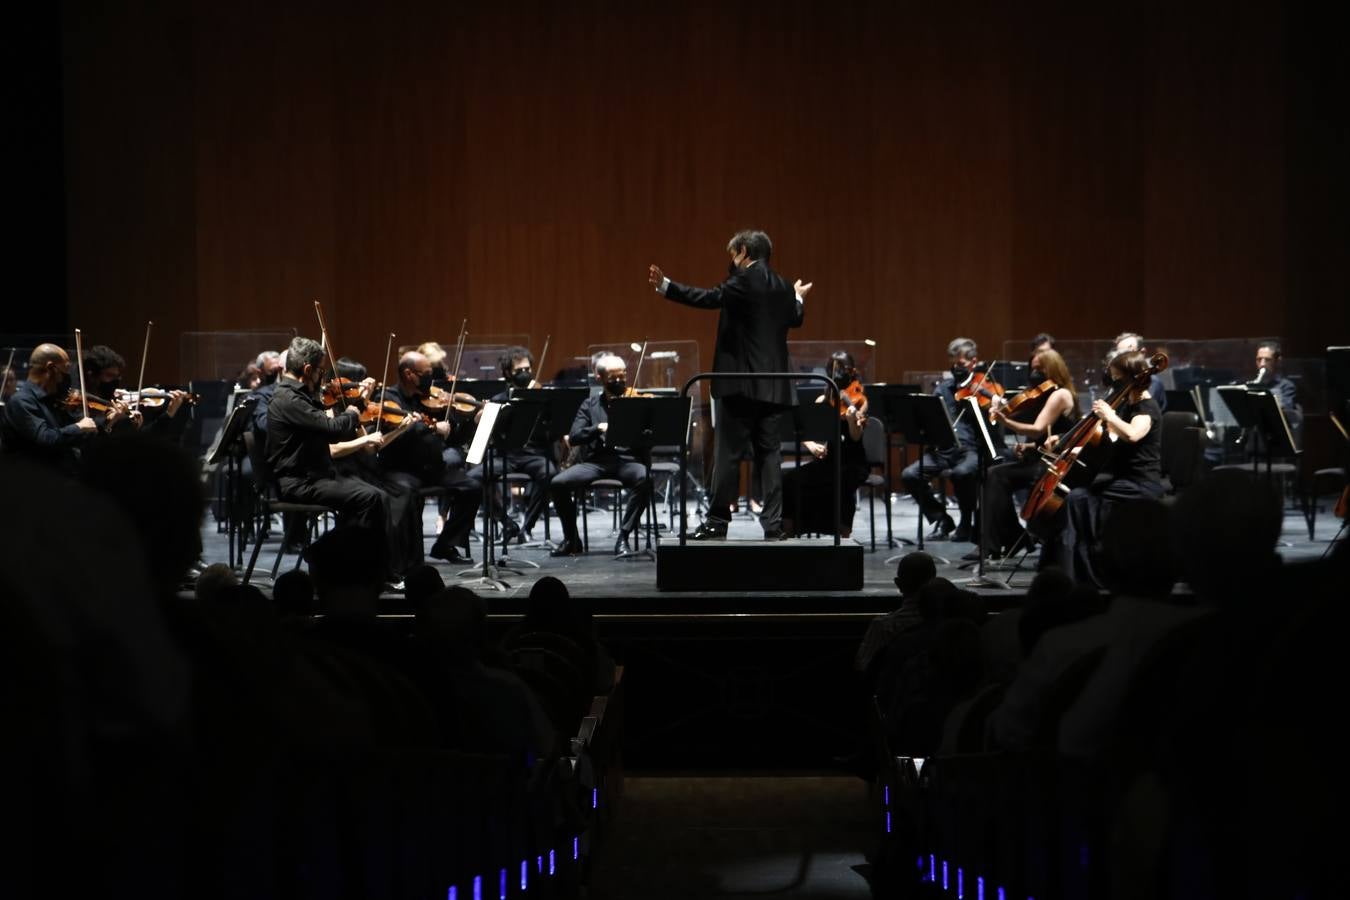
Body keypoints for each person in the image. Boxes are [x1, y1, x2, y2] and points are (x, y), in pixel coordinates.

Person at [649, 229, 811, 539]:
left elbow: (708, 297)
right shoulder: (783, 286)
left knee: (728, 455)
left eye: (733, 255)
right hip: (775, 388)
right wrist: (798, 296)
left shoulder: (742, 281)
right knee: (770, 457)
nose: (731, 262)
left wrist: (667, 287)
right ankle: (773, 525)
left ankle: (717, 522)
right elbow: (796, 317)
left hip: (739, 386)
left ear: (745, 252)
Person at [265, 336, 403, 576]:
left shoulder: (300, 396)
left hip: (318, 475)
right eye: (320, 371)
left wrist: (355, 401)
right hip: (299, 482)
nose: (322, 377)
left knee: (377, 496)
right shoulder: (288, 400)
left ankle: (347, 563)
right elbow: (333, 430)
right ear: (308, 370)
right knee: (370, 498)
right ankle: (353, 565)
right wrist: (354, 406)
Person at [1050, 349, 1165, 587]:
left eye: (1116, 378)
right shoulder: (1125, 405)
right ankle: (1076, 570)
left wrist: (1110, 415)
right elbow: (1107, 439)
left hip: (1140, 483)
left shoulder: (1146, 408)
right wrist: (1072, 446)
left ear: (1133, 377)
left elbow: (1132, 434)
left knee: (1079, 499)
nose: (1113, 383)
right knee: (1077, 496)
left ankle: (1090, 572)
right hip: (1120, 479)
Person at [377, 350, 482, 564]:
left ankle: (446, 544)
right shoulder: (389, 399)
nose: (430, 378)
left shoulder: (432, 399)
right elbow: (402, 436)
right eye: (425, 373)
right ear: (409, 374)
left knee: (472, 487)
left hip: (432, 468)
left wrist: (471, 421)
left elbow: (453, 437)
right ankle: (408, 557)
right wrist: (433, 429)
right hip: (401, 468)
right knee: (407, 494)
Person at [976, 348, 1080, 558]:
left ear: (1052, 368)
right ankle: (1008, 538)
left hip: (1055, 463)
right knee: (994, 475)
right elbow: (1046, 437)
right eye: (1032, 368)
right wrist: (1029, 446)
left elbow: (1038, 430)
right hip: (1041, 456)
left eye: (1040, 369)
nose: (1035, 373)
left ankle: (1005, 540)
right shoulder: (1043, 395)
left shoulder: (1060, 394)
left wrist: (1005, 421)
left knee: (997, 475)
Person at [547, 354, 651, 557]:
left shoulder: (636, 401)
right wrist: (598, 428)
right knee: (558, 483)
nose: (619, 381)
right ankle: (572, 539)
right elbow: (575, 436)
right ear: (600, 377)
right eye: (613, 377)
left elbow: (651, 433)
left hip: (627, 462)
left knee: (645, 478)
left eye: (622, 376)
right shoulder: (589, 405)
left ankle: (623, 537)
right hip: (596, 463)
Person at [467, 345, 557, 542]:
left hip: (534, 456)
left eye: (527, 369)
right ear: (508, 373)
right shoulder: (499, 400)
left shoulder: (542, 399)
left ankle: (528, 527)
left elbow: (553, 428)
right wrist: (483, 418)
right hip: (506, 456)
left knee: (550, 474)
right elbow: (486, 434)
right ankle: (506, 523)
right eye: (519, 371)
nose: (525, 374)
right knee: (472, 479)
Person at [899, 337, 983, 541]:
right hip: (944, 450)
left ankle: (966, 521)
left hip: (971, 450)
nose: (956, 368)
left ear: (973, 362)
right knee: (910, 474)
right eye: (953, 363)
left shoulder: (982, 389)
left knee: (962, 473)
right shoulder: (942, 389)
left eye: (961, 364)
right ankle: (941, 517)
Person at [781, 351, 870, 538]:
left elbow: (855, 437)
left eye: (842, 368)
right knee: (791, 480)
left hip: (853, 462)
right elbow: (803, 429)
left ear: (851, 371)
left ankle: (842, 534)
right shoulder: (823, 400)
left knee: (842, 481)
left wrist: (853, 420)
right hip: (830, 461)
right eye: (832, 368)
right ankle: (790, 531)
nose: (836, 372)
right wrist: (812, 445)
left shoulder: (859, 399)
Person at [0, 343, 97, 472]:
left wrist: (106, 422)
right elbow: (45, 438)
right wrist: (78, 427)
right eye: (66, 370)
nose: (68, 376)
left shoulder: (51, 399)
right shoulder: (21, 402)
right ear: (51, 368)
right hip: (34, 481)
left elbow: (73, 433)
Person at [1110, 332, 1167, 411]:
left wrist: (1109, 415)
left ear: (1142, 352)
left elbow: (1143, 409)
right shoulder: (1122, 380)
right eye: (1119, 353)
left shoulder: (1151, 381)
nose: (1121, 358)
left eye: (1127, 353)